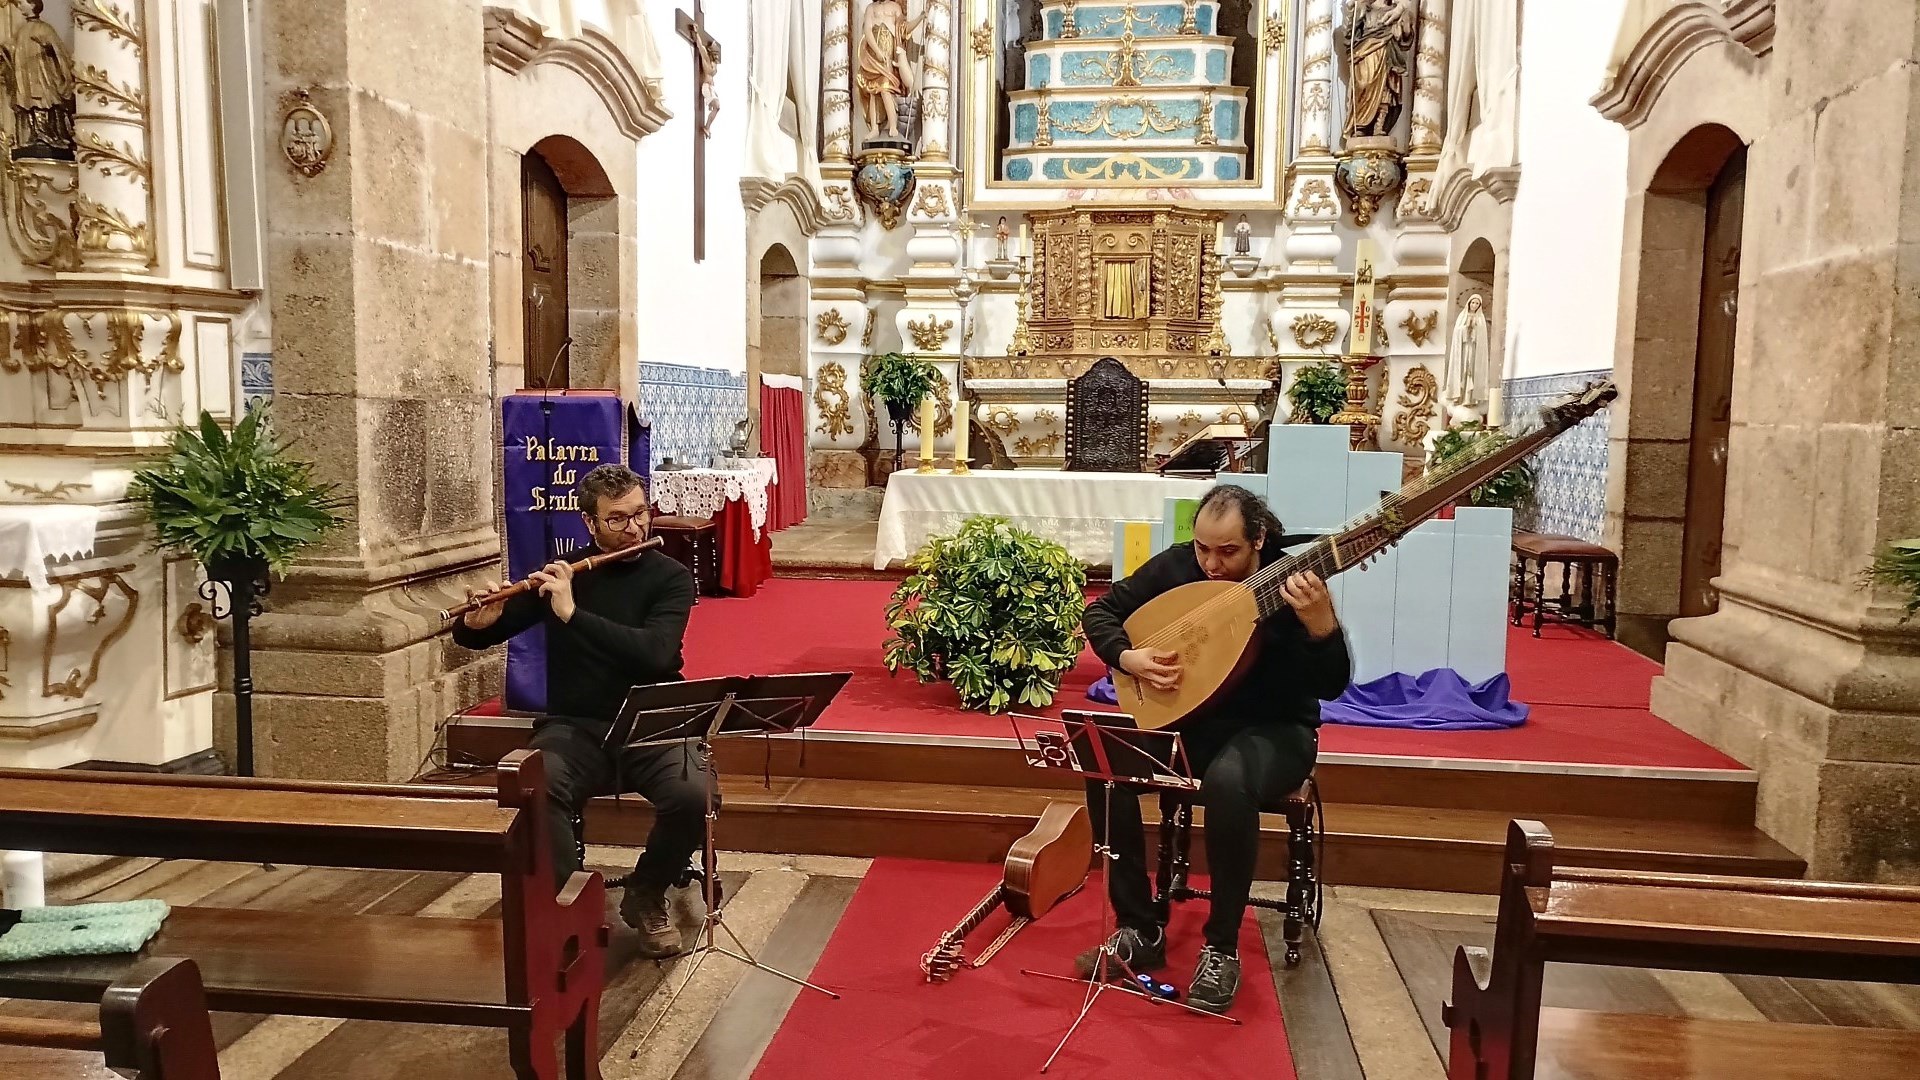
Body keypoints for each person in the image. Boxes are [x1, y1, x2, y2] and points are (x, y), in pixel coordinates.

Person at [1078, 485, 1351, 1014]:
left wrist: (1323, 628)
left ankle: (1221, 948)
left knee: (1229, 782)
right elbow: (1103, 613)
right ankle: (1140, 928)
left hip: (1277, 733)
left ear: (1259, 540)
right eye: (1203, 548)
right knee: (1105, 760)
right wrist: (1127, 658)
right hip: (1192, 725)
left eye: (1227, 552)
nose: (1211, 564)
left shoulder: (1290, 583)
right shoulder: (1182, 566)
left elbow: (1332, 684)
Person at [452, 464, 704, 959]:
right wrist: (475, 625)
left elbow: (655, 653)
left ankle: (647, 893)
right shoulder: (563, 574)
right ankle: (569, 908)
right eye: (617, 520)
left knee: (693, 795)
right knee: (538, 787)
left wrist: (573, 615)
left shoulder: (670, 577)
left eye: (640, 514)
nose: (634, 529)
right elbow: (487, 632)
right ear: (589, 524)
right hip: (576, 725)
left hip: (652, 720)